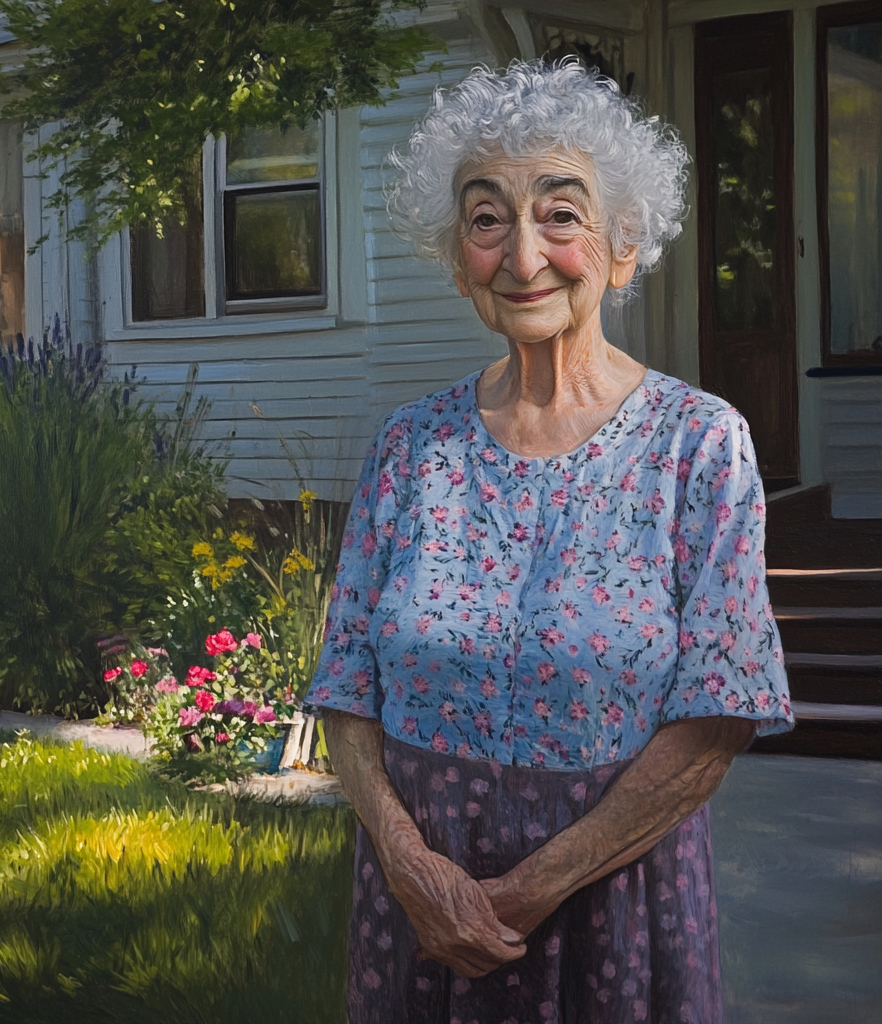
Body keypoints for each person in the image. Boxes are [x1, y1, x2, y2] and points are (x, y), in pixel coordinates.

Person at [307, 60, 793, 1024]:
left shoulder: (699, 443)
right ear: (457, 256)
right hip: (417, 910)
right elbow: (344, 689)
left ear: (622, 247)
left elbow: (717, 720)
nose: (523, 256)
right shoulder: (412, 446)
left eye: (561, 215)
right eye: (487, 219)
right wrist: (413, 870)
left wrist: (520, 896)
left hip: (609, 910)